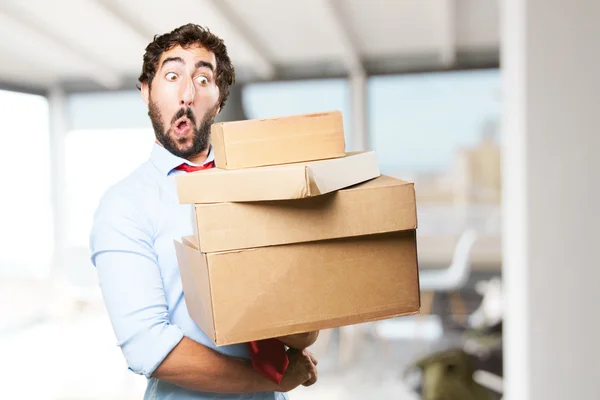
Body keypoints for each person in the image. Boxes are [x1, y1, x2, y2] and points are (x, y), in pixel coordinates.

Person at [89, 23, 319, 400]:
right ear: (146, 91)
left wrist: (298, 332)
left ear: (219, 98)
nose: (187, 92)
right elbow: (149, 346)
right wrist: (275, 377)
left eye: (202, 78)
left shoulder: (259, 185)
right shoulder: (123, 206)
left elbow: (304, 322)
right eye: (173, 75)